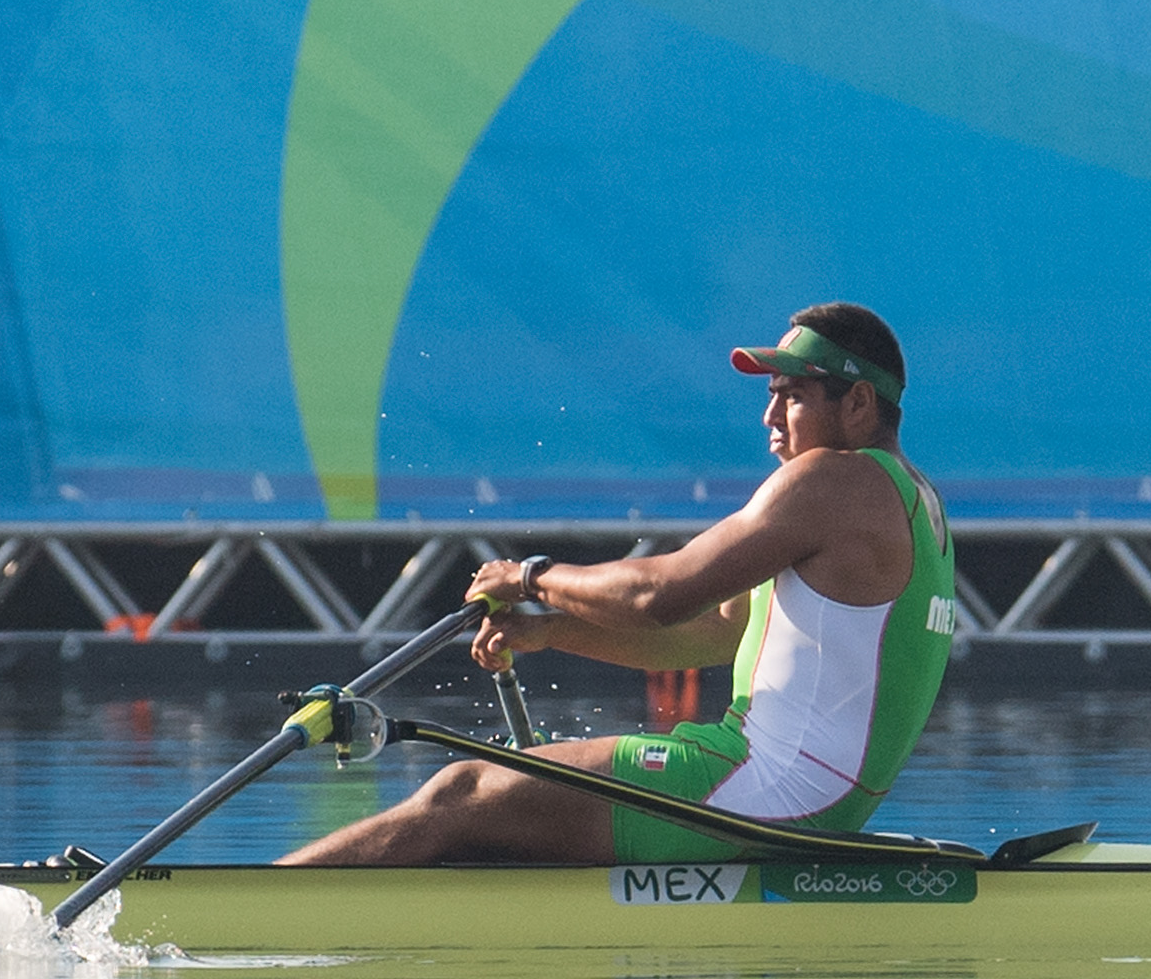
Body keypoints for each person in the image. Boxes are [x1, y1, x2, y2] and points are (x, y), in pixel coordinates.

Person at [282, 304, 957, 867]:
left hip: (762, 788)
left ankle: (253, 909)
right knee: (500, 817)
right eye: (771, 396)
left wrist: (530, 577)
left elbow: (658, 595)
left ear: (861, 402)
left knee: (460, 791)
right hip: (804, 798)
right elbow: (712, 631)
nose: (770, 419)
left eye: (794, 396)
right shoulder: (915, 503)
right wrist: (553, 630)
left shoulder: (836, 481)